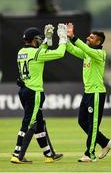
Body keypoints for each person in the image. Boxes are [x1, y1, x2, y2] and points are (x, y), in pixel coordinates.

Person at [11, 23, 68, 164]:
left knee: (39, 123)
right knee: (29, 123)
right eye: (39, 39)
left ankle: (48, 154)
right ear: (34, 39)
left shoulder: (21, 52)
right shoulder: (37, 53)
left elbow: (42, 48)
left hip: (23, 90)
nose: (41, 41)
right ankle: (17, 154)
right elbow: (60, 53)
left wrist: (48, 37)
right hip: (34, 92)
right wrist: (62, 38)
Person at [66, 23, 111, 162]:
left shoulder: (99, 53)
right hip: (88, 93)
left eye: (91, 37)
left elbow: (85, 48)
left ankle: (89, 154)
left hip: (97, 93)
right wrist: (64, 38)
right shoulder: (87, 53)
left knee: (93, 125)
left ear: (98, 42)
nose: (88, 38)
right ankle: (105, 142)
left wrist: (74, 37)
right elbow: (71, 49)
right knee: (82, 122)